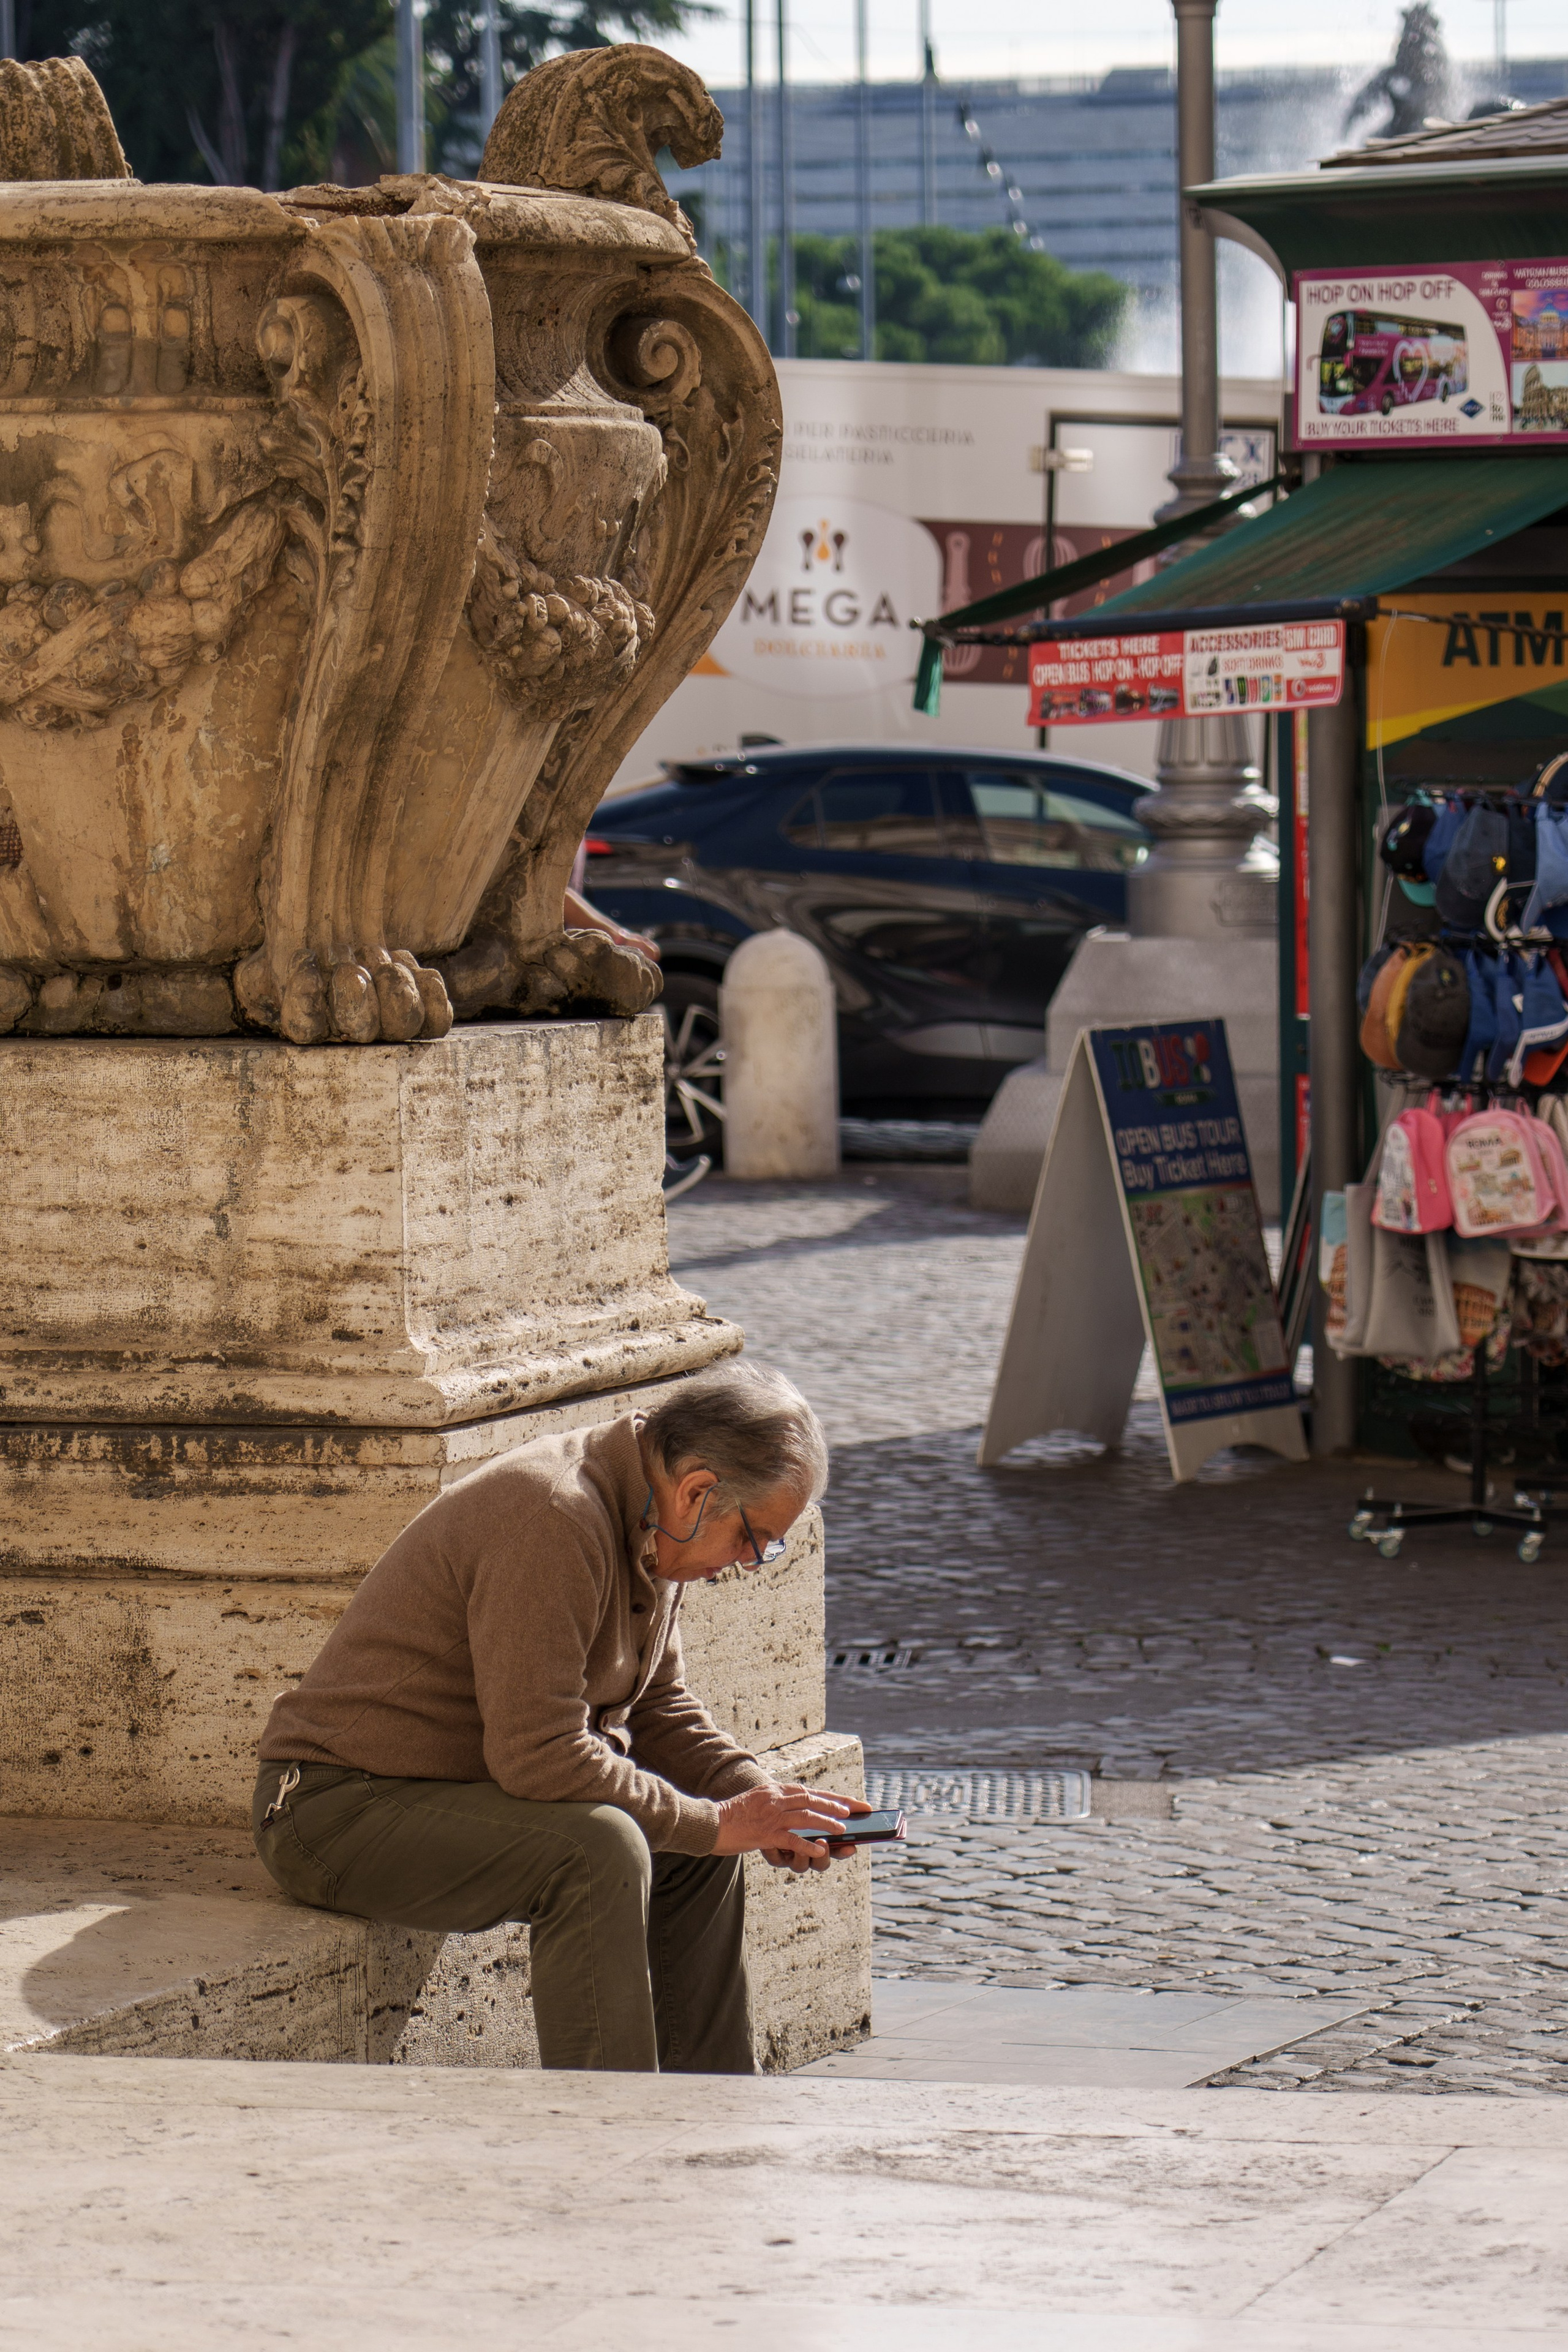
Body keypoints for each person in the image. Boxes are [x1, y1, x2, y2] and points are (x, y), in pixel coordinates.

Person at [252, 1362, 862, 2073]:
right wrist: (716, 1822)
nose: (749, 1564)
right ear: (697, 1490)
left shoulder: (652, 1517)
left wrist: (761, 1803)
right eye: (752, 1540)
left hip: (452, 1798)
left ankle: (711, 2115)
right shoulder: (554, 1513)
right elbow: (539, 1754)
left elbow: (660, 1707)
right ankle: (606, 2135)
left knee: (705, 1842)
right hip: (332, 1810)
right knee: (601, 1848)